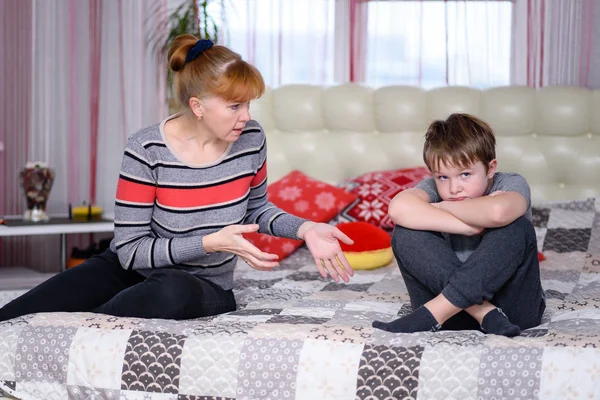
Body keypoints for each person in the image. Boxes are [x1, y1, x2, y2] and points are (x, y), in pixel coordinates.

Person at [0, 35, 355, 322]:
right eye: (235, 106)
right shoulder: (146, 147)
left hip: (200, 283)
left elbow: (256, 209)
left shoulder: (250, 139)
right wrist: (209, 242)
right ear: (198, 106)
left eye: (248, 105)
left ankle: (82, 331)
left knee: (170, 290)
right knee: (19, 313)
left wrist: (306, 229)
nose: (246, 116)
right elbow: (128, 249)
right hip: (131, 268)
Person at [372, 113, 545, 337]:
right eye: (443, 177)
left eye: (465, 174)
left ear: (490, 168)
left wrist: (439, 207)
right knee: (405, 232)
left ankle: (430, 315)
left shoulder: (510, 182)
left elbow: (498, 212)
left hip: (514, 312)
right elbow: (397, 209)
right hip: (450, 315)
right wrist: (469, 225)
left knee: (517, 227)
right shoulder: (432, 187)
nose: (454, 188)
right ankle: (484, 313)